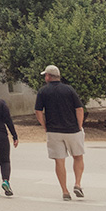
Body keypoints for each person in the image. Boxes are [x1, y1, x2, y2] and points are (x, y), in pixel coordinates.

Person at [34, 64, 85, 201]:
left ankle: (65, 191)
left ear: (49, 76)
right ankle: (78, 183)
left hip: (54, 131)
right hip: (72, 129)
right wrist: (79, 125)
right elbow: (79, 109)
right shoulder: (69, 90)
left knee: (59, 161)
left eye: (45, 75)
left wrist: (44, 125)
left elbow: (38, 111)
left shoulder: (43, 91)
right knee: (78, 157)